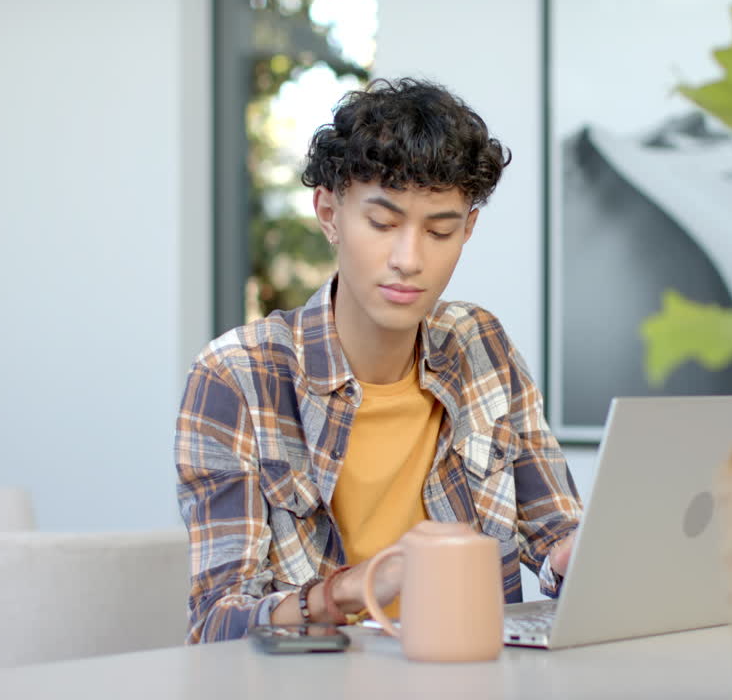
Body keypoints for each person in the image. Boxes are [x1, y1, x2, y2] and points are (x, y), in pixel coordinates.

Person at [174, 77, 582, 643]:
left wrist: (579, 555)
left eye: (439, 230)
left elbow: (554, 530)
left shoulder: (482, 344)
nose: (409, 259)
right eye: (383, 224)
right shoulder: (237, 375)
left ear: (467, 229)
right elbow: (218, 623)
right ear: (329, 214)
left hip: (471, 675)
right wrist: (353, 588)